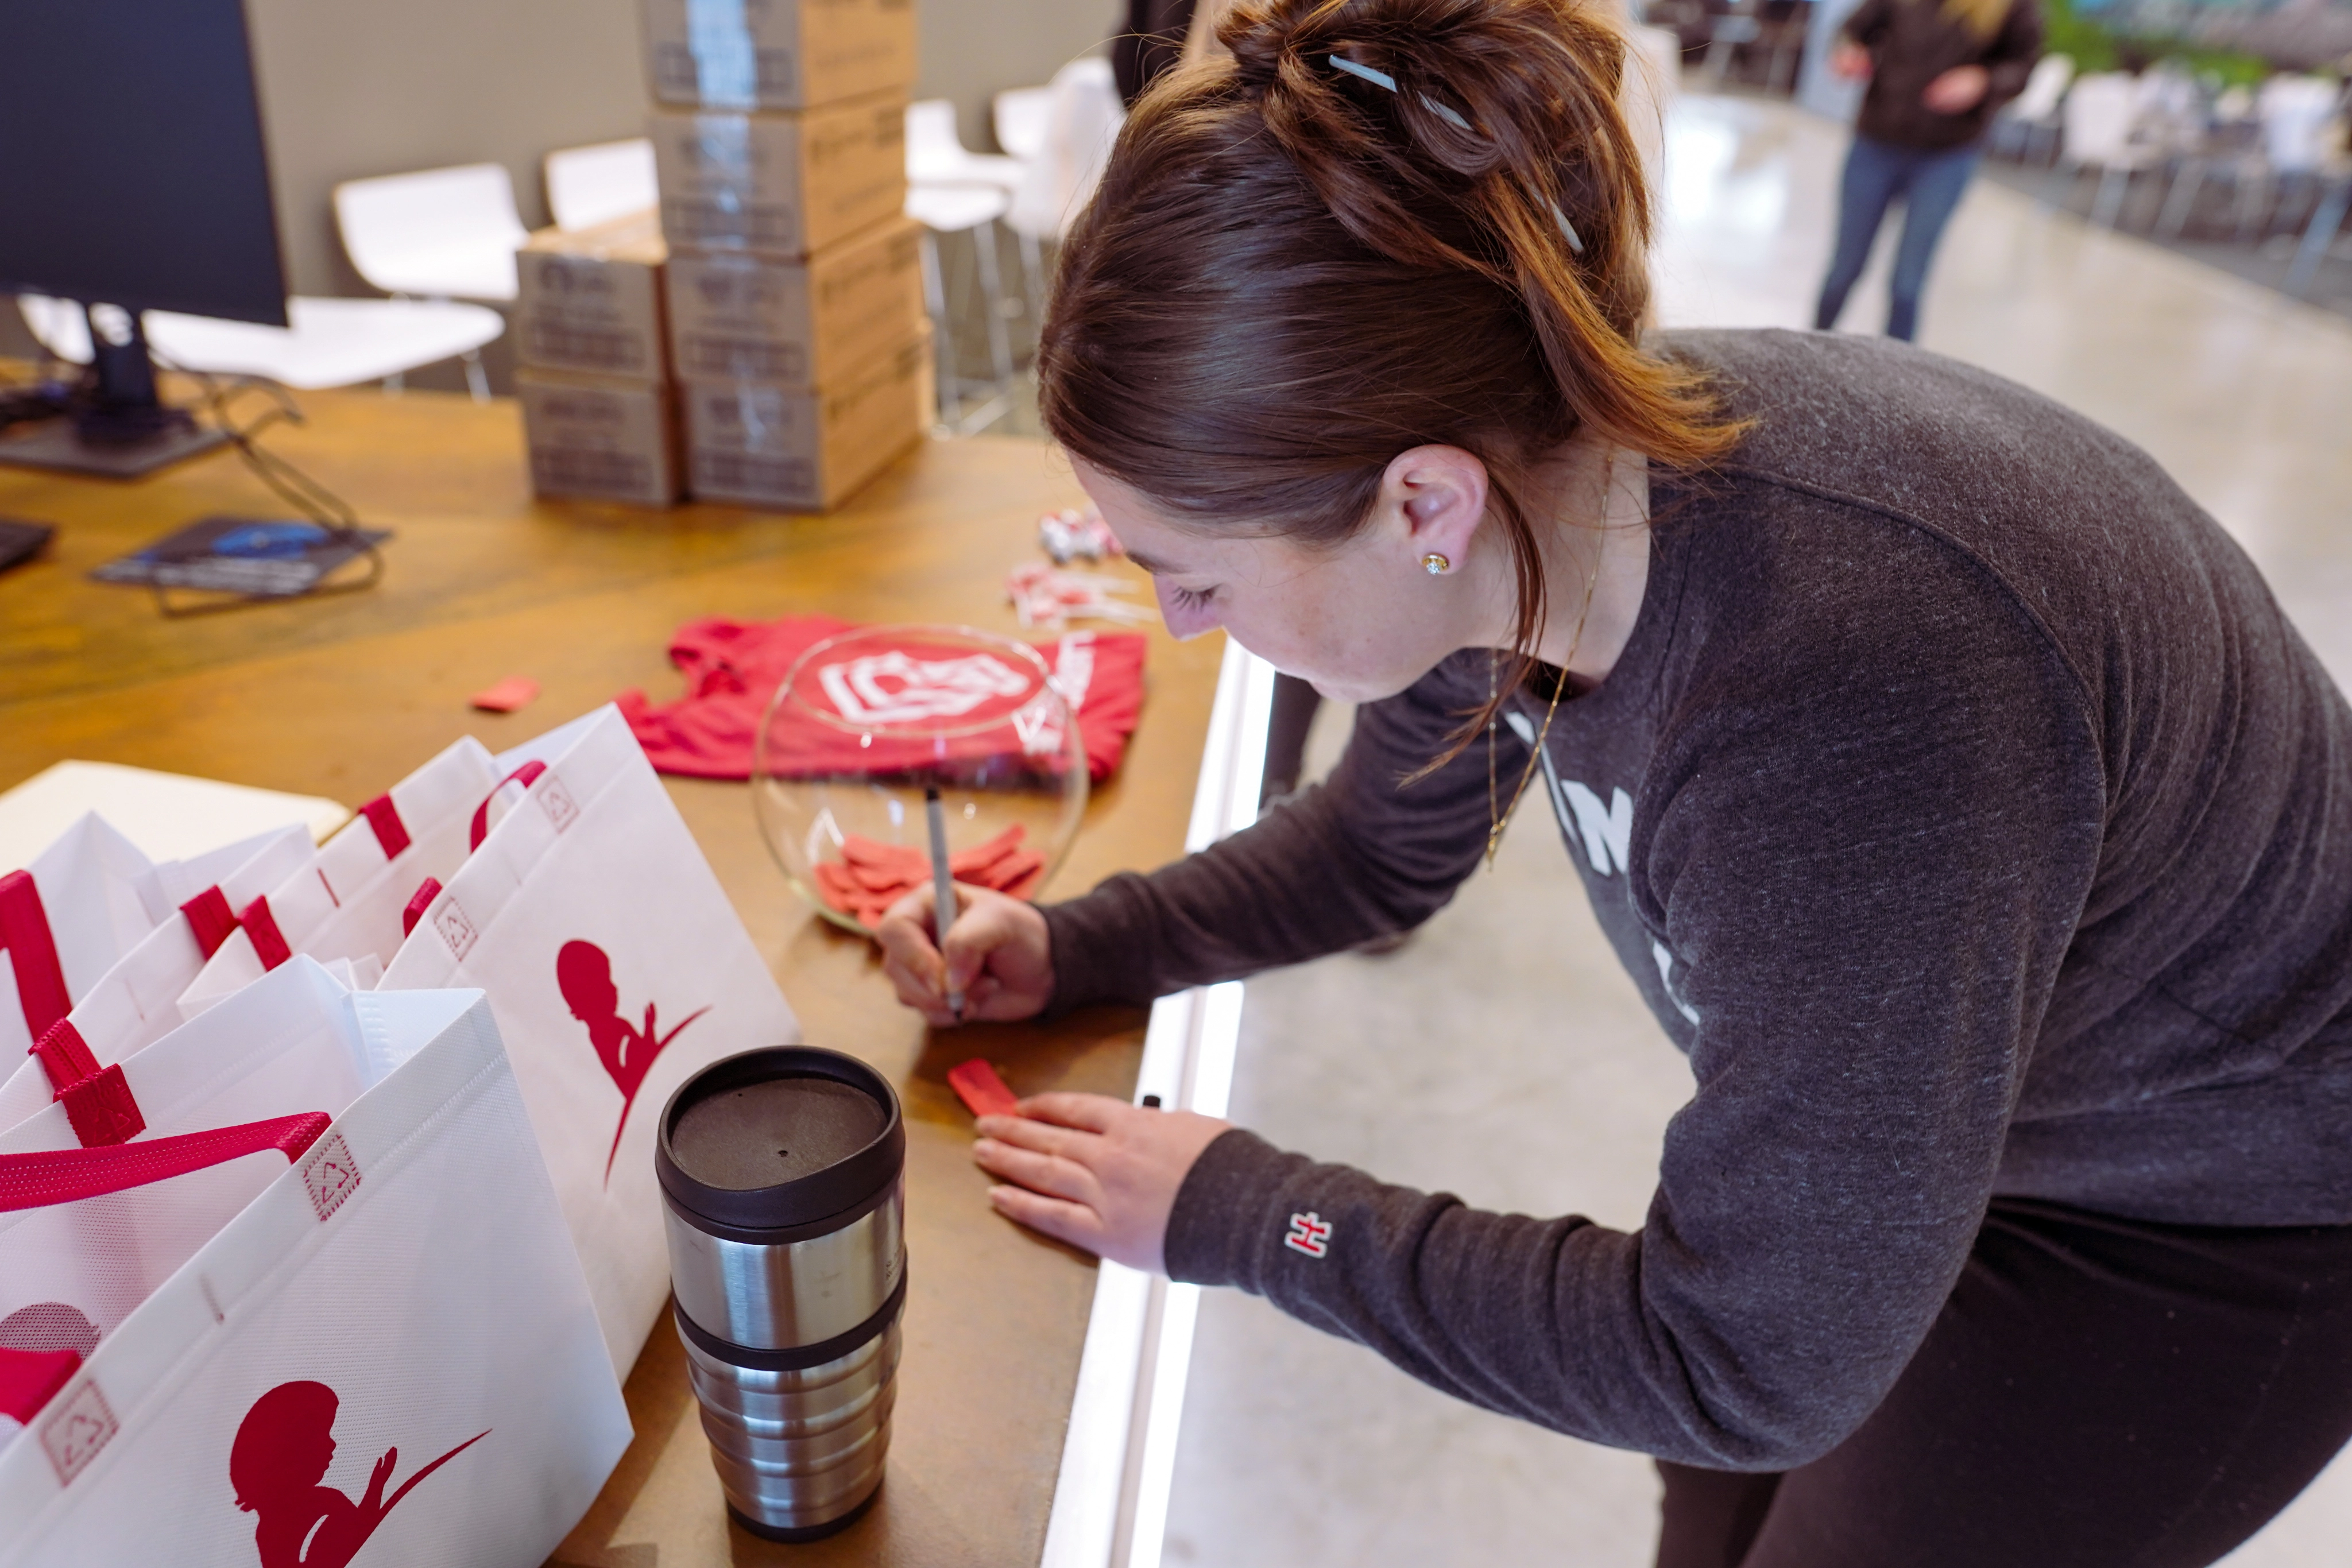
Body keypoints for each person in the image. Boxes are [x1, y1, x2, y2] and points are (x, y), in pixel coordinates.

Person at [875, 0, 2352, 1562]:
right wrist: (1083, 945)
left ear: (1415, 499)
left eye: (1195, 576)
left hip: (2212, 1198)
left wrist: (1259, 1215)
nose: (1180, 624)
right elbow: (1376, 853)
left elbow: (1740, 1357)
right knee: (1705, 1505)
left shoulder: (1843, 700)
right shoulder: (1519, 493)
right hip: (1966, 1088)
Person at [1814, 0, 2043, 342]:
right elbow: (1853, 29)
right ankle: (1810, 346)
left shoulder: (2016, 7)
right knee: (1844, 269)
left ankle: (1902, 379)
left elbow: (2023, 65)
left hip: (1946, 155)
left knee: (1907, 283)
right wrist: (1850, 52)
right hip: (1877, 141)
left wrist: (1983, 81)